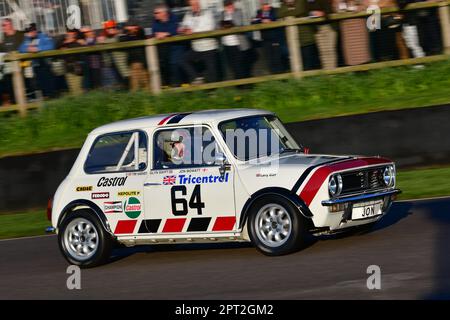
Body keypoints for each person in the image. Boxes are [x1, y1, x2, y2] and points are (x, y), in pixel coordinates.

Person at [179, 0, 219, 84]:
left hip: (209, 47)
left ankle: (215, 93)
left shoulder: (208, 13)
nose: (195, 6)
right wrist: (183, 29)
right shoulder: (188, 15)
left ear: (200, 4)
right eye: (192, 5)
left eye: (196, 4)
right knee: (182, 60)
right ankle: (197, 78)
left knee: (212, 72)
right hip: (197, 48)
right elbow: (183, 26)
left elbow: (210, 27)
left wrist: (192, 31)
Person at [277, 0, 320, 71]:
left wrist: (287, 13)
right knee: (298, 64)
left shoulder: (301, 1)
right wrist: (292, 12)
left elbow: (300, 10)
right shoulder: (283, 4)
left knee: (309, 63)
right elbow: (279, 14)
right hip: (293, 40)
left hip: (306, 37)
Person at [19, 23, 56, 98]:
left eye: (32, 30)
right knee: (39, 82)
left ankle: (51, 96)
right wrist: (27, 49)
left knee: (48, 81)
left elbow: (51, 45)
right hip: (36, 65)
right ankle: (44, 97)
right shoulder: (27, 39)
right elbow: (20, 48)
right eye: (29, 31)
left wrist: (38, 48)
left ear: (35, 30)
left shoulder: (42, 36)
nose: (31, 32)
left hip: (45, 63)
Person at [152, 3, 185, 86]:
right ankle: (170, 85)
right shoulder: (155, 22)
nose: (154, 15)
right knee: (165, 66)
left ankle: (179, 85)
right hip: (165, 49)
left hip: (177, 46)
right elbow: (155, 32)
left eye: (157, 13)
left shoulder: (175, 18)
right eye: (154, 13)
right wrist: (168, 33)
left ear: (164, 13)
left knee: (175, 64)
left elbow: (178, 30)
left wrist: (167, 33)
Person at [333, 0, 371, 66]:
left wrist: (355, 8)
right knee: (350, 47)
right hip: (346, 25)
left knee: (361, 46)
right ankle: (353, 67)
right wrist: (342, 8)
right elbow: (336, 8)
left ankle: (364, 67)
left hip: (359, 24)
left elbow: (366, 5)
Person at [220, 0, 251, 79]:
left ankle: (244, 82)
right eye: (227, 6)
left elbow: (239, 23)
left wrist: (230, 16)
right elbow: (219, 25)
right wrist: (224, 25)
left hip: (238, 43)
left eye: (231, 5)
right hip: (227, 44)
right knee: (232, 64)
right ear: (225, 7)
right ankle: (239, 83)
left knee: (241, 63)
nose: (230, 7)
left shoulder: (238, 11)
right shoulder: (222, 14)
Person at [253, 0, 285, 74]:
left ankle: (281, 77)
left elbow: (275, 17)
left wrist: (269, 20)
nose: (265, 6)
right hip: (265, 39)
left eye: (267, 4)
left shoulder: (274, 10)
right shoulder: (259, 12)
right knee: (269, 59)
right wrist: (262, 20)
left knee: (277, 58)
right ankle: (273, 77)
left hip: (275, 38)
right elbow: (254, 21)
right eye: (264, 4)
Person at [0, 18, 25, 105]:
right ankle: (9, 103)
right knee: (4, 81)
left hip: (21, 63)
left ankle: (17, 103)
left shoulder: (19, 35)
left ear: (10, 25)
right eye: (2, 26)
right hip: (6, 66)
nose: (2, 28)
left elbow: (24, 47)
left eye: (4, 25)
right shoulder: (3, 37)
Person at [121, 21, 149, 91]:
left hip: (143, 62)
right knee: (134, 85)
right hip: (133, 63)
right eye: (129, 27)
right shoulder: (127, 36)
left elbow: (142, 34)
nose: (131, 29)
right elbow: (122, 40)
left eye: (132, 26)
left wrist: (135, 29)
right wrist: (127, 31)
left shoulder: (140, 34)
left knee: (146, 83)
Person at [58, 28, 85, 95]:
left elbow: (79, 48)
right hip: (67, 68)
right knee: (72, 89)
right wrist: (64, 42)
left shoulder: (78, 42)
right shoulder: (63, 41)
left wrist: (69, 43)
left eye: (71, 32)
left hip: (77, 68)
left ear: (75, 34)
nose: (69, 33)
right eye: (68, 32)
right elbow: (56, 46)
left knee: (77, 88)